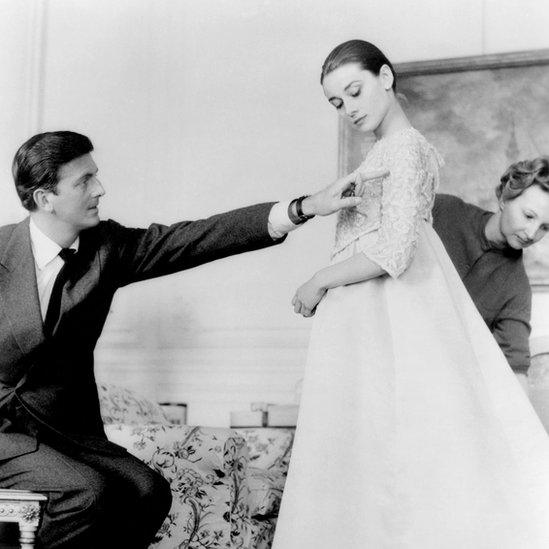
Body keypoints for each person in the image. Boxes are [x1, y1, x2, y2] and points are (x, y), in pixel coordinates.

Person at [0, 130, 384, 548]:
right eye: (84, 181)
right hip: (4, 433)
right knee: (87, 493)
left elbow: (198, 237)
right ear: (44, 198)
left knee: (147, 491)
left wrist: (303, 207)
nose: (100, 188)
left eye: (96, 175)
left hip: (65, 430)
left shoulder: (106, 247)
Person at [273, 39, 549, 549]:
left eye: (354, 91)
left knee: (391, 467)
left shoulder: (407, 148)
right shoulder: (392, 158)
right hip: (369, 322)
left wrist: (318, 281)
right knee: (361, 460)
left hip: (397, 330)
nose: (349, 109)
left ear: (385, 77)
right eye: (337, 103)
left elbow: (393, 254)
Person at [434, 158, 549, 388]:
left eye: (545, 227)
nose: (531, 233)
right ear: (506, 197)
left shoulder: (516, 289)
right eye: (529, 216)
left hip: (441, 383)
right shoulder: (443, 210)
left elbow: (515, 369)